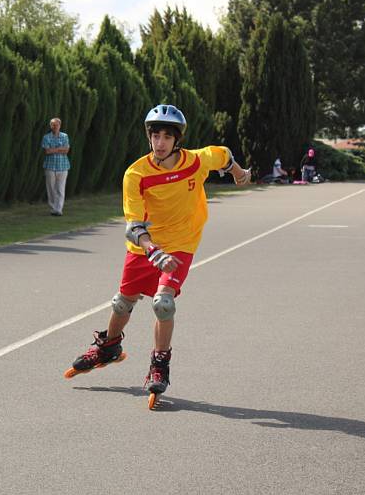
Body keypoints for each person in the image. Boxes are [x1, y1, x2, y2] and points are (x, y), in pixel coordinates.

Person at [63, 104, 251, 405]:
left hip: (183, 241)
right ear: (148, 137)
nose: (160, 142)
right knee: (123, 301)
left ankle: (159, 364)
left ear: (177, 140)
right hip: (145, 245)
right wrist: (153, 252)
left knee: (164, 303)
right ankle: (108, 346)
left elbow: (224, 155)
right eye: (155, 135)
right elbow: (133, 226)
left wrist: (240, 173)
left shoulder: (197, 161)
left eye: (167, 136)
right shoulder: (136, 173)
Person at [41, 117, 70, 216]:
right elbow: (47, 151)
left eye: (56, 125)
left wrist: (54, 149)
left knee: (60, 189)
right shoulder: (46, 137)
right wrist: (59, 149)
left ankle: (59, 209)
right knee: (51, 188)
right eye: (53, 125)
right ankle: (53, 208)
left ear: (60, 125)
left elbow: (66, 150)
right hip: (50, 166)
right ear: (50, 126)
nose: (55, 127)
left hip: (63, 166)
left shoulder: (64, 136)